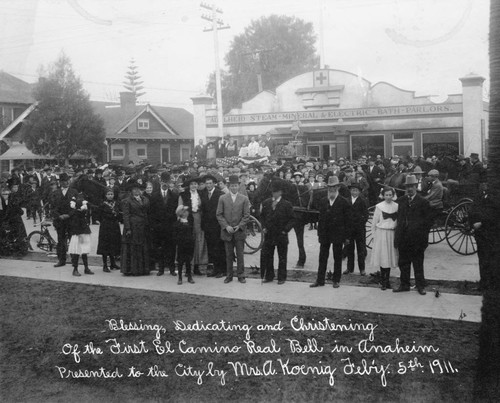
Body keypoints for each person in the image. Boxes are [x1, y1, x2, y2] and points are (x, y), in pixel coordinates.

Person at [310, 176, 352, 288]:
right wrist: (319, 234)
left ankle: (336, 280)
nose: (332, 189)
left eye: (334, 187)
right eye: (330, 187)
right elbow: (320, 219)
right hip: (325, 234)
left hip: (338, 234)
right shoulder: (323, 201)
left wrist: (347, 237)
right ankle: (320, 280)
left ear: (338, 187)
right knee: (322, 257)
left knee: (337, 257)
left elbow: (348, 221)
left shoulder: (344, 202)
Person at [394, 175, 432, 295]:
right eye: (408, 187)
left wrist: (423, 238)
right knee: (403, 263)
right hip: (403, 238)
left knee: (418, 263)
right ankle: (404, 284)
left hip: (417, 240)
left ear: (416, 187)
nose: (410, 189)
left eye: (412, 186)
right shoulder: (400, 201)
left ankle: (420, 286)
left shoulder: (423, 202)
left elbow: (428, 223)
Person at [216, 174, 250, 284]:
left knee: (240, 255)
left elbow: (246, 215)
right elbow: (219, 214)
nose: (234, 188)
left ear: (238, 186)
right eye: (232, 186)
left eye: (235, 186)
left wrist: (240, 226)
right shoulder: (222, 198)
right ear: (229, 186)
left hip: (239, 232)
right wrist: (226, 226)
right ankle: (229, 275)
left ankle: (241, 275)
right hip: (227, 232)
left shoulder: (244, 199)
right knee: (228, 255)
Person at [260, 179, 295, 284]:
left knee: (282, 257)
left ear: (281, 192)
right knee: (268, 256)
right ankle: (269, 276)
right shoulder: (266, 203)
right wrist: (264, 227)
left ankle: (281, 277)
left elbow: (292, 219)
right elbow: (261, 217)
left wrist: (285, 230)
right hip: (269, 234)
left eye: (276, 192)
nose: (274, 193)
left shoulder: (287, 204)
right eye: (273, 192)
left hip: (281, 235)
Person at [150, 172, 178, 276]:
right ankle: (161, 269)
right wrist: (154, 226)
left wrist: (174, 225)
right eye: (163, 181)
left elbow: (176, 212)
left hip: (170, 227)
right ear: (160, 182)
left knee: (171, 248)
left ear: (169, 182)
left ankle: (171, 269)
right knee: (159, 248)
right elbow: (151, 212)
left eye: (167, 181)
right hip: (158, 227)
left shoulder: (174, 195)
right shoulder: (154, 196)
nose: (165, 184)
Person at [370, 187, 399, 290]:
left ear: (393, 195)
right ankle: (383, 281)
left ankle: (387, 280)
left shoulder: (396, 206)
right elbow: (374, 222)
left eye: (390, 195)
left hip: (391, 234)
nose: (388, 197)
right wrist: (374, 235)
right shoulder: (379, 207)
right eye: (386, 195)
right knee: (383, 257)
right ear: (383, 195)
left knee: (389, 257)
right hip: (381, 234)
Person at [121, 183, 151, 276]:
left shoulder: (145, 199)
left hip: (143, 226)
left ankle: (143, 269)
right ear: (131, 191)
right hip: (133, 227)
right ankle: (133, 270)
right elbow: (126, 215)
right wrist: (128, 228)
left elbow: (147, 212)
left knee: (143, 247)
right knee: (133, 247)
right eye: (134, 189)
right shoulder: (127, 201)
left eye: (138, 189)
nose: (136, 191)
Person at [178, 176, 206, 275]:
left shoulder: (201, 194)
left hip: (198, 219)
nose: (194, 186)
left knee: (198, 243)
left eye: (195, 184)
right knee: (187, 243)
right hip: (187, 220)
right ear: (189, 186)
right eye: (192, 184)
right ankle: (187, 268)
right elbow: (179, 209)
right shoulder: (183, 195)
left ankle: (196, 267)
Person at [200, 174, 227, 278]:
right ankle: (215, 269)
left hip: (217, 225)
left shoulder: (220, 194)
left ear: (214, 184)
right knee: (211, 248)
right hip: (207, 225)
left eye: (210, 183)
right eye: (206, 183)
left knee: (219, 248)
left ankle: (222, 269)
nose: (208, 185)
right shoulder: (203, 194)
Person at [52, 173, 79, 267]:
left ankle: (74, 260)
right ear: (60, 182)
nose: (67, 182)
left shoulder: (74, 192)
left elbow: (76, 206)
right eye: (64, 181)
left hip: (71, 219)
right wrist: (59, 216)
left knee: (73, 240)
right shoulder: (56, 193)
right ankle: (61, 260)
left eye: (68, 180)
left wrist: (68, 215)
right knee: (61, 240)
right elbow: (53, 207)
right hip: (60, 220)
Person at [344, 183, 369, 276]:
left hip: (359, 229)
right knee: (349, 249)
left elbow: (366, 215)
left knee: (360, 250)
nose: (354, 192)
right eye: (353, 190)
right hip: (349, 230)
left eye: (356, 190)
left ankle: (362, 269)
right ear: (350, 191)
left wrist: (360, 222)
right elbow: (344, 214)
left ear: (359, 192)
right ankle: (349, 268)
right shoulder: (346, 201)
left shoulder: (362, 201)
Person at [96, 188, 122, 273]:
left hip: (114, 226)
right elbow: (98, 215)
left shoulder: (116, 203)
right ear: (105, 195)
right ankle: (105, 265)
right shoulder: (102, 204)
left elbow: (119, 214)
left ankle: (113, 263)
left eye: (111, 194)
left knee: (113, 244)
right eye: (108, 194)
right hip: (106, 227)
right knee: (105, 246)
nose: (110, 196)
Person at [67, 197, 94, 276]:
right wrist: (79, 235)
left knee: (84, 251)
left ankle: (86, 268)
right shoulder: (76, 214)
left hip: (84, 233)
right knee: (77, 252)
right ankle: (75, 269)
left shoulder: (83, 213)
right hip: (79, 234)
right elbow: (74, 226)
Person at [173, 205, 195, 285]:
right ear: (181, 213)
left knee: (188, 261)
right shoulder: (177, 224)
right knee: (180, 262)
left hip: (189, 244)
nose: (187, 212)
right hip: (181, 245)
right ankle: (180, 278)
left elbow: (192, 233)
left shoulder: (189, 222)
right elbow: (175, 236)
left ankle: (189, 276)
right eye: (185, 211)